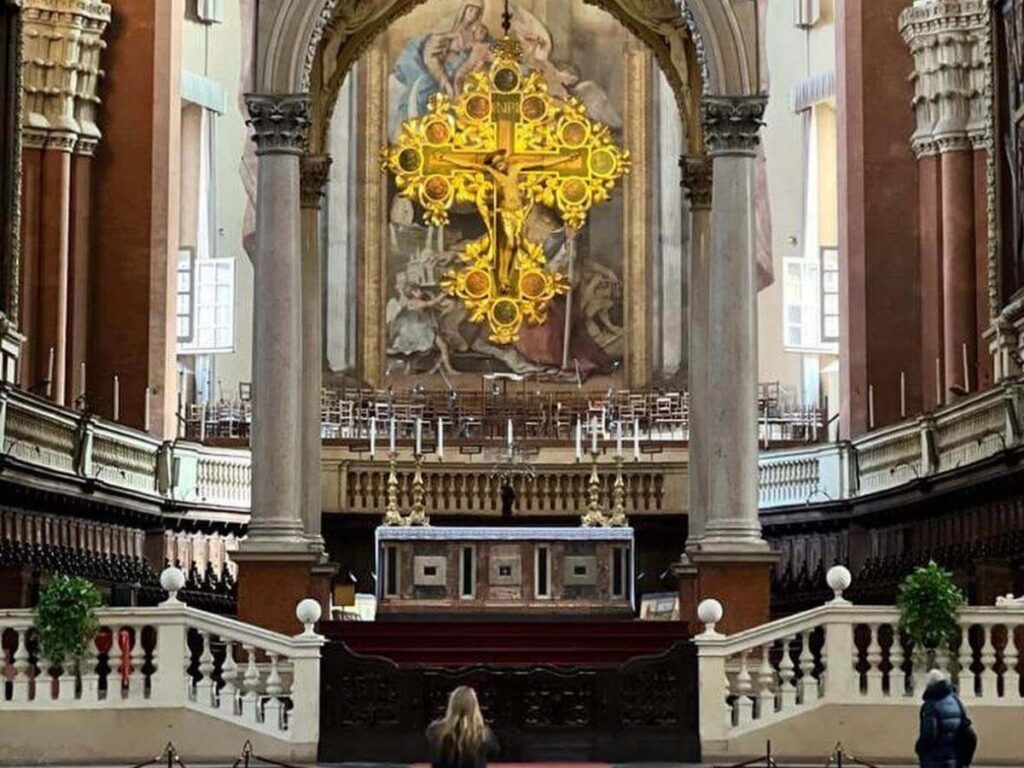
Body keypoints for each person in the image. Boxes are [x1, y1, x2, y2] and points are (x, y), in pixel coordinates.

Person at [915, 668, 976, 768]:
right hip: (954, 759)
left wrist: (919, 748)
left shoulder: (931, 706)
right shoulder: (957, 702)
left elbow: (929, 735)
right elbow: (968, 732)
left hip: (934, 760)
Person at [426, 686, 499, 768]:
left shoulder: (435, 730)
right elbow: (494, 754)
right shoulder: (484, 734)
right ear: (475, 706)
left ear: (452, 704)